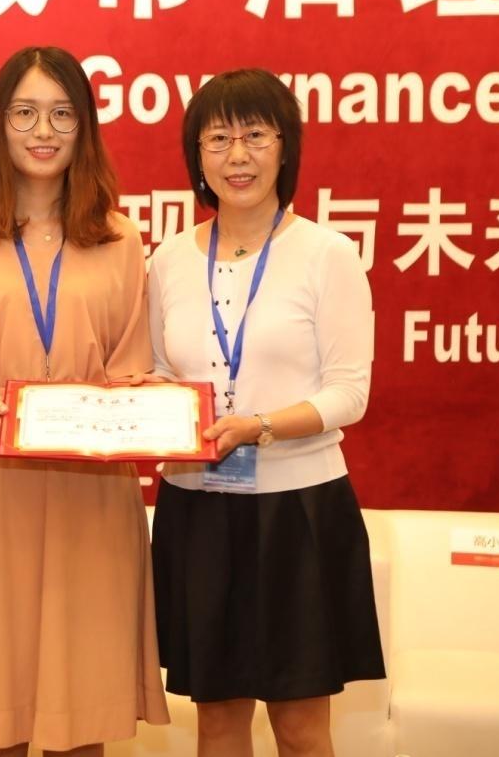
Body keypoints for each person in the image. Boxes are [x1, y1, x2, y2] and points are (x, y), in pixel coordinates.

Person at [0, 47, 169, 756]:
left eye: (61, 114)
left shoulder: (119, 239)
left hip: (91, 495)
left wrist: (141, 404)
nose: (42, 130)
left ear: (85, 129)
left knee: (81, 718)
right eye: (23, 113)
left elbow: (131, 368)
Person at [147, 68, 386, 757]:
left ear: (286, 148)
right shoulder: (167, 259)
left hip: (298, 511)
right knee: (217, 722)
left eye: (255, 135)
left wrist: (260, 427)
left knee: (301, 727)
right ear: (196, 155)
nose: (238, 156)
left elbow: (349, 393)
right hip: (196, 507)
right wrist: (141, 405)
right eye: (218, 139)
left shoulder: (326, 254)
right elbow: (162, 372)